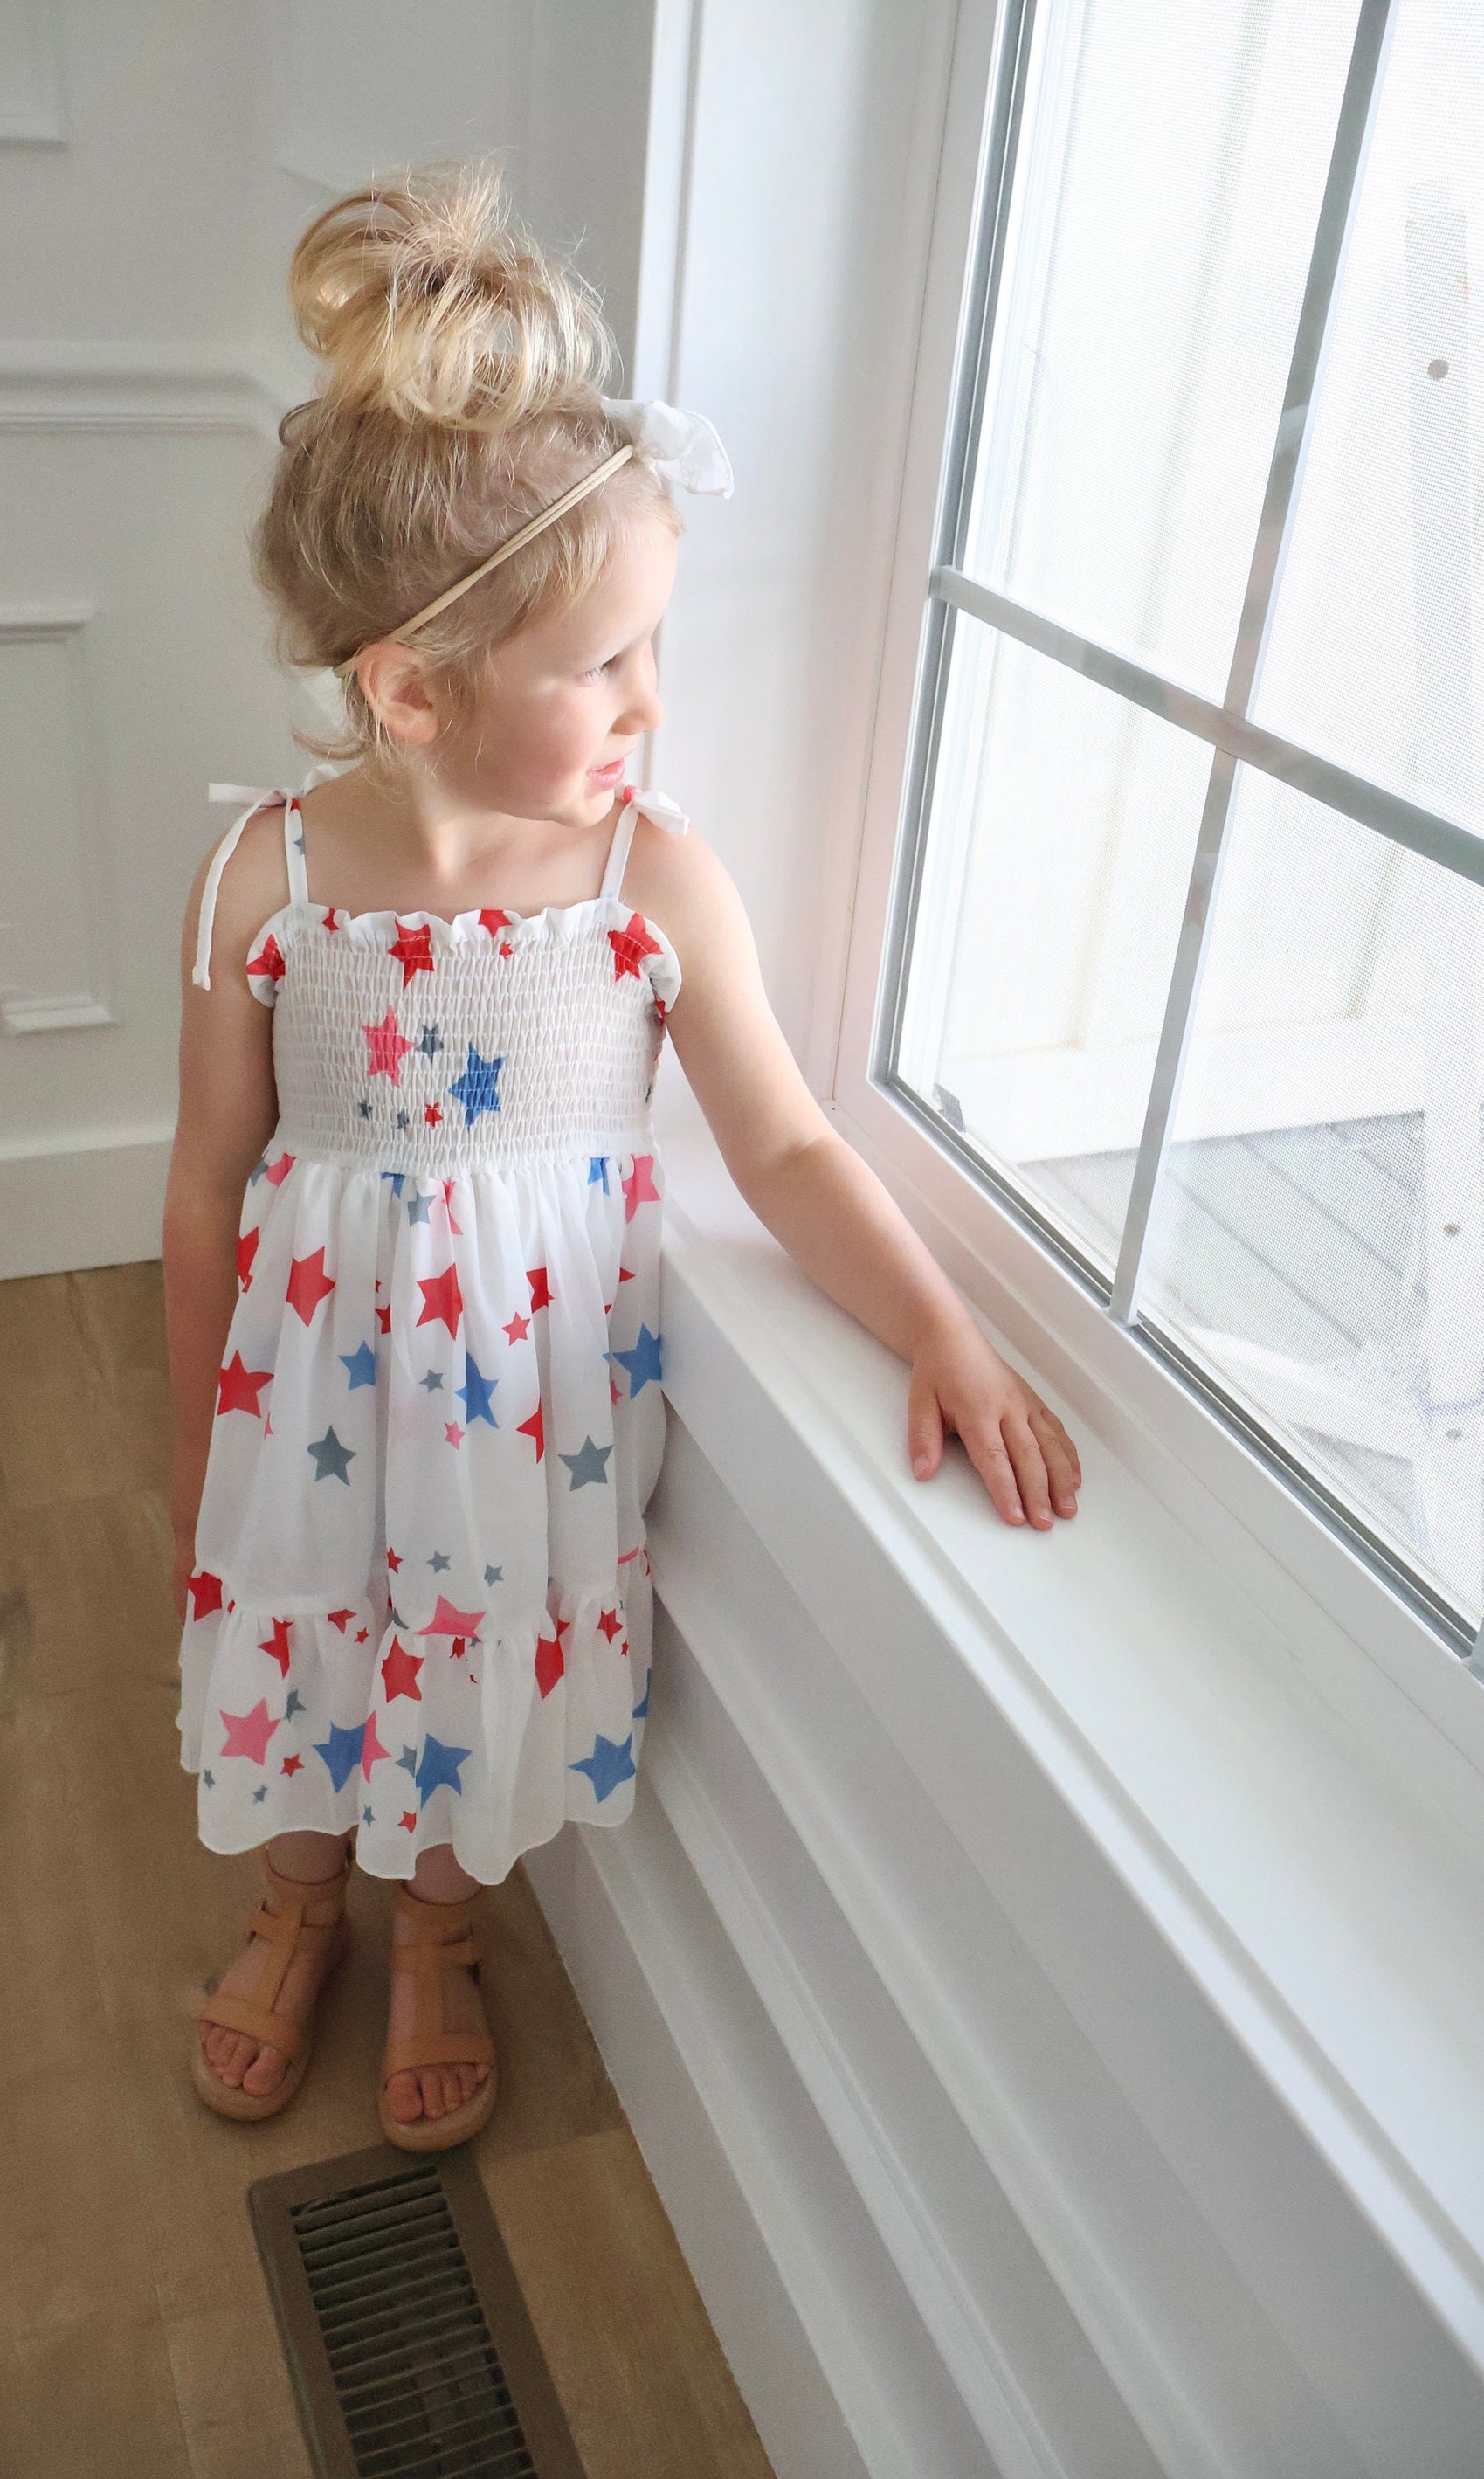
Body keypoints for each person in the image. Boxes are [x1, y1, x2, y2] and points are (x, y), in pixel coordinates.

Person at [164, 161, 1080, 2151]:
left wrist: (946, 1327)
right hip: (301, 1402)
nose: (651, 706)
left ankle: (440, 1929)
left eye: (652, 647)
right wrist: (190, 1451)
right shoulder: (270, 878)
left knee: (472, 1650)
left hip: (527, 1420)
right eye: (603, 664)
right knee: (308, 1626)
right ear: (415, 688)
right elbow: (202, 1185)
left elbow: (784, 1140)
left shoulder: (650, 885)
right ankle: (293, 1890)